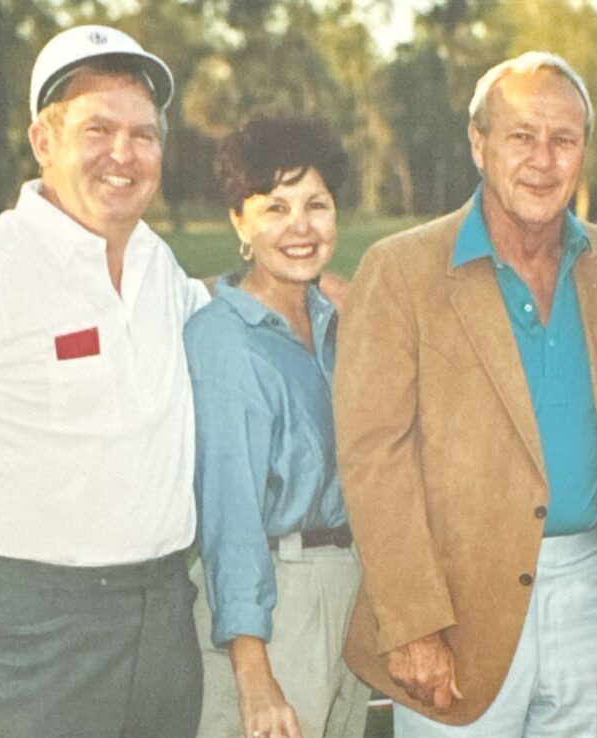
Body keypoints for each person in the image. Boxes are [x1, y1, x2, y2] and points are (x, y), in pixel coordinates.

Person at [333, 51, 597, 736]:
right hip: (457, 612)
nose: (543, 159)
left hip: (590, 596)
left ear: (583, 150)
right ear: (479, 144)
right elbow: (371, 459)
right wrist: (412, 622)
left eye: (564, 139)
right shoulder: (402, 269)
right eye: (521, 135)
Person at [0, 25, 207, 737]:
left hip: (166, 621)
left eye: (143, 135)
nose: (123, 154)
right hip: (34, 637)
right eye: (98, 128)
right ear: (43, 140)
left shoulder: (160, 267)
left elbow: (239, 321)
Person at [184, 116, 370, 738]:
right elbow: (229, 514)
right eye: (275, 206)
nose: (301, 226)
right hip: (271, 609)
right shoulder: (224, 341)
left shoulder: (335, 323)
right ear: (240, 221)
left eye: (317, 204)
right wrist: (254, 674)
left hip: (347, 592)